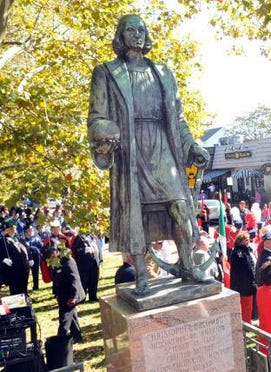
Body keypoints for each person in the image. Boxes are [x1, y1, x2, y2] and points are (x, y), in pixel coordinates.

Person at [87, 14, 210, 294]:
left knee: (180, 206)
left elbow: (178, 119)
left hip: (162, 145)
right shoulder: (106, 72)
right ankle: (141, 274)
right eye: (131, 30)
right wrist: (103, 130)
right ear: (121, 35)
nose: (138, 34)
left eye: (142, 29)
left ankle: (188, 264)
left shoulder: (163, 72)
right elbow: (96, 116)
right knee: (136, 212)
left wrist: (191, 145)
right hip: (131, 147)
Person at [45, 246, 86, 343]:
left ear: (56, 252)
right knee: (72, 317)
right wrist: (56, 294)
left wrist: (74, 297)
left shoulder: (67, 260)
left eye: (51, 256)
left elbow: (74, 278)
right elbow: (55, 279)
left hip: (70, 295)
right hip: (62, 294)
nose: (50, 259)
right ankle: (77, 336)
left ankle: (60, 341)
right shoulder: (54, 262)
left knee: (64, 319)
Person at [229, 231, 257, 323]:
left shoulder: (247, 251)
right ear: (240, 241)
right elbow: (246, 269)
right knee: (245, 308)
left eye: (248, 239)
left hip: (247, 285)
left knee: (248, 308)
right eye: (246, 239)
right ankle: (246, 325)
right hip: (244, 286)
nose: (248, 241)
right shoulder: (238, 253)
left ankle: (247, 322)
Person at [0, 218, 30, 295]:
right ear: (6, 229)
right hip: (13, 269)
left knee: (24, 285)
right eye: (11, 228)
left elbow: (27, 248)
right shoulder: (2, 241)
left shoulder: (18, 238)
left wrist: (30, 258)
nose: (14, 229)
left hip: (24, 266)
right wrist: (3, 259)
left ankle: (25, 300)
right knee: (15, 289)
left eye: (14, 228)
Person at [71, 232, 102, 301]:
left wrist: (100, 259)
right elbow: (74, 251)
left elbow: (98, 248)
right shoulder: (77, 238)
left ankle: (93, 297)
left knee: (93, 280)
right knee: (83, 281)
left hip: (94, 262)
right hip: (83, 264)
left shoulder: (92, 237)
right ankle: (82, 298)